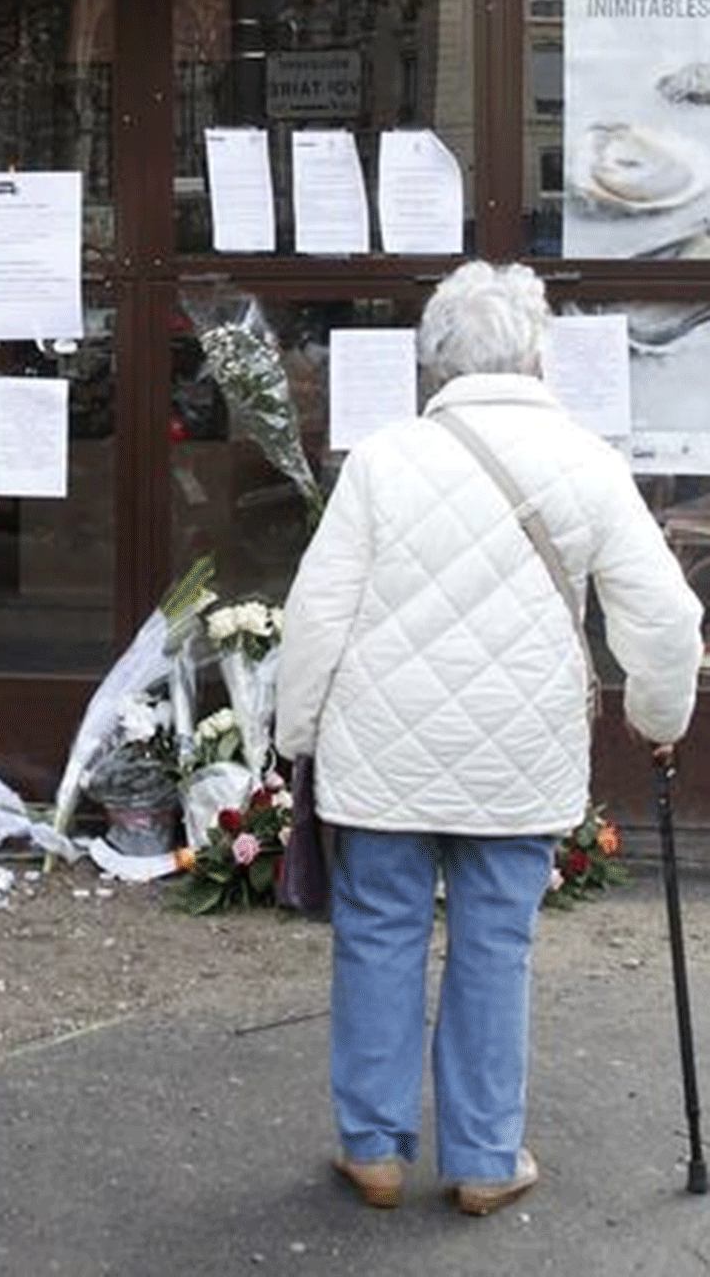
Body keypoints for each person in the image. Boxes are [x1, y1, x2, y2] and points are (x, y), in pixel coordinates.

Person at [275, 260, 703, 1217]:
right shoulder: (587, 462)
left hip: (383, 754)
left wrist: (297, 732)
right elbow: (668, 621)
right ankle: (482, 1159)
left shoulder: (385, 460)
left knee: (379, 934)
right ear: (539, 354)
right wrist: (660, 723)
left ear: (435, 363)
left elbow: (317, 615)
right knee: (493, 946)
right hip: (520, 757)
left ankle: (374, 1150)